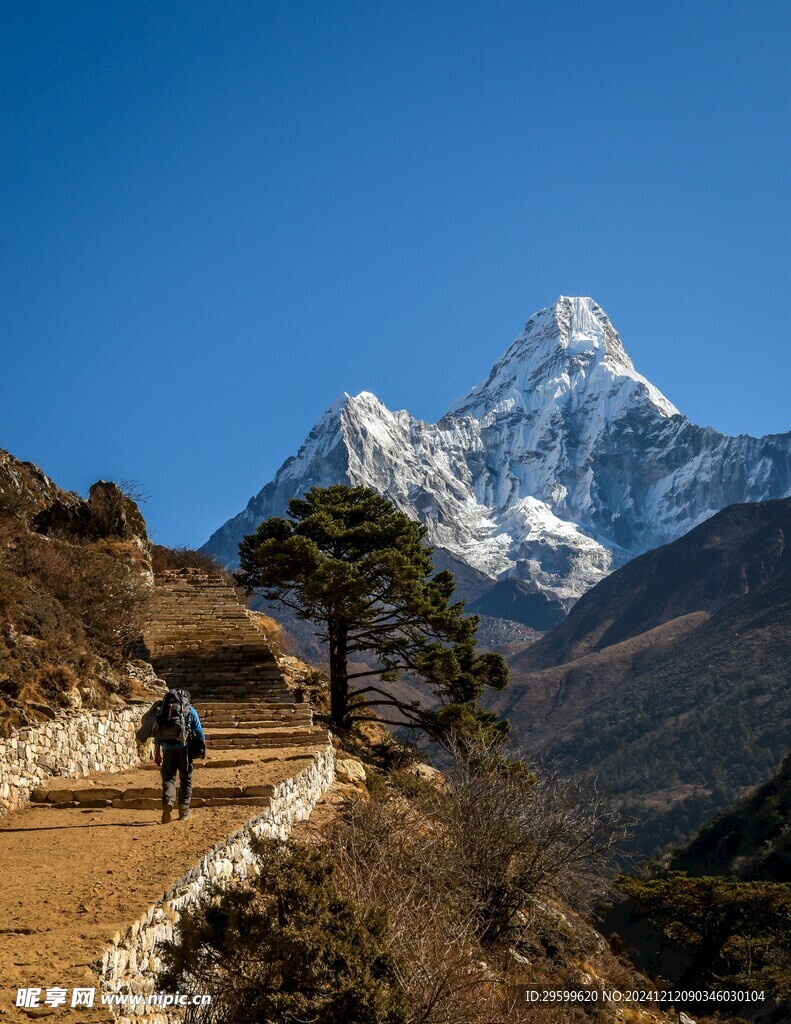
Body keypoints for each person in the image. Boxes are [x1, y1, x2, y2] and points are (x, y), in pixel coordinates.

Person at [153, 696, 206, 823]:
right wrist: (203, 748)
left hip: (167, 750)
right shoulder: (189, 710)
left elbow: (157, 734)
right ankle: (183, 811)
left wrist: (157, 754)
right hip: (185, 750)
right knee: (186, 779)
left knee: (168, 779)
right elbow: (199, 730)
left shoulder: (163, 711)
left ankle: (169, 802)